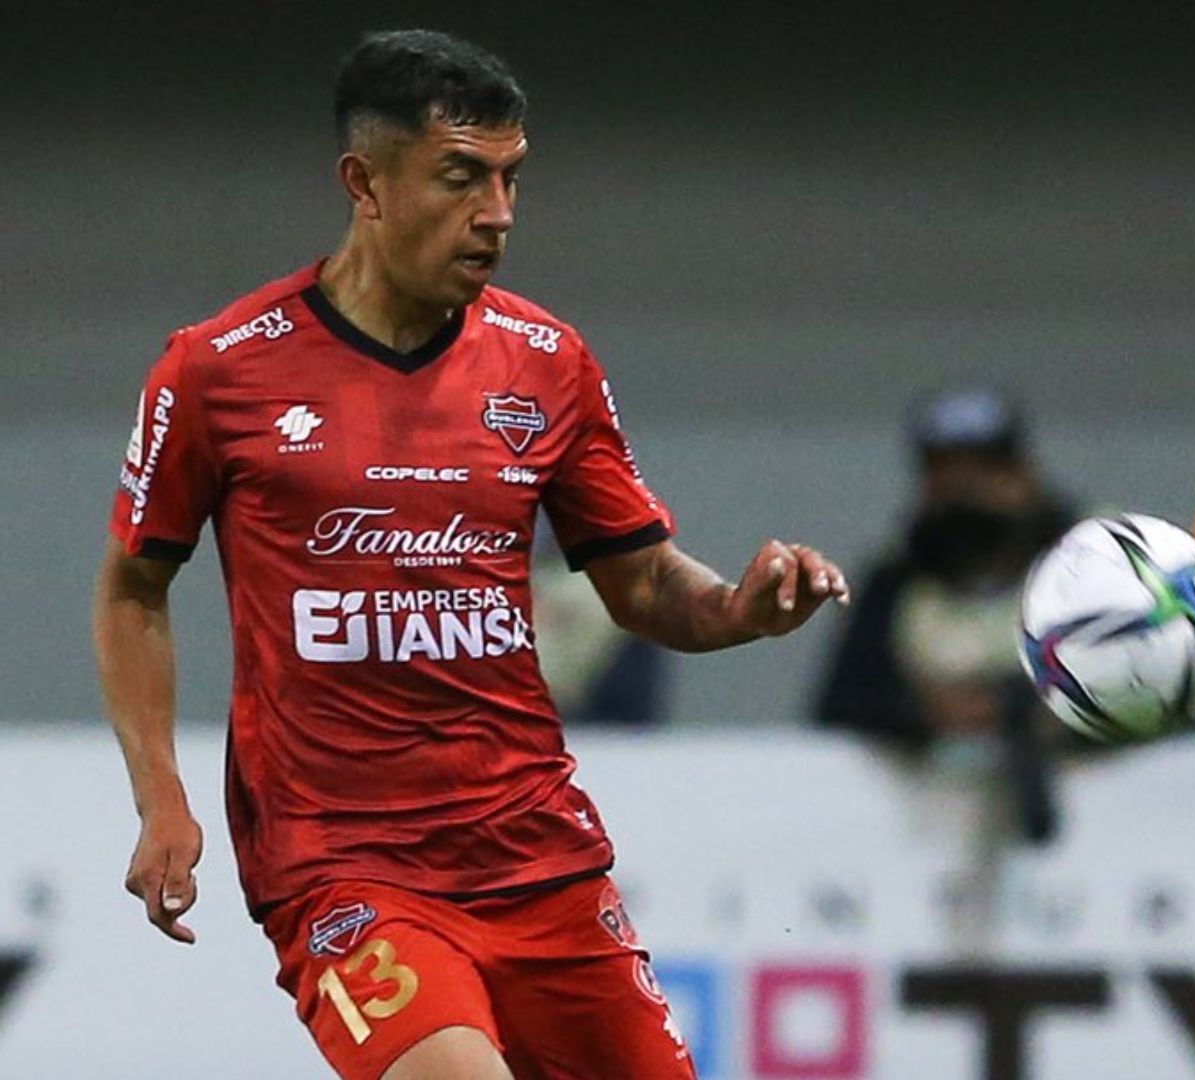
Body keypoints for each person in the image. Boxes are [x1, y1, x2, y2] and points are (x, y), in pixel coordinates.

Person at [93, 29, 847, 1080]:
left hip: (537, 856)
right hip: (342, 867)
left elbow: (641, 583)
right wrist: (161, 800)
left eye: (510, 178)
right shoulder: (219, 372)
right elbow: (134, 590)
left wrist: (743, 609)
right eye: (460, 178)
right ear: (365, 183)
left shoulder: (547, 363)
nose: (496, 214)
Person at [812, 389, 1076, 940]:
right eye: (946, 472)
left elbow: (1177, 688)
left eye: (985, 469)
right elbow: (841, 700)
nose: (966, 490)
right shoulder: (900, 578)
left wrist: (1053, 708)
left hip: (1101, 819)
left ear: (1023, 473)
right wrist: (927, 709)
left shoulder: (1092, 561)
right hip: (925, 838)